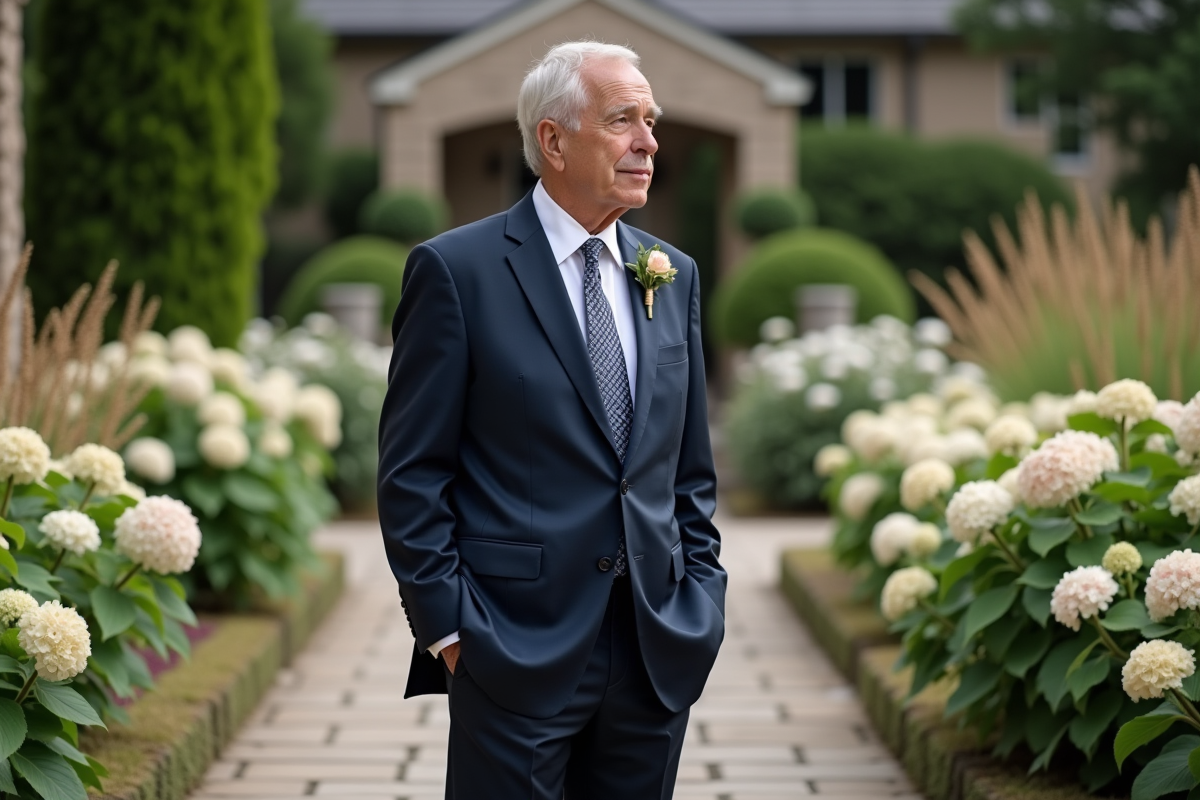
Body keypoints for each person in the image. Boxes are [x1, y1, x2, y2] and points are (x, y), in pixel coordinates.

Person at [377, 40, 726, 800]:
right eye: (623, 119)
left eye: (652, 121)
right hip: (509, 651)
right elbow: (412, 473)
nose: (648, 142)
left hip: (654, 650)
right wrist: (450, 632)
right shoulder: (455, 272)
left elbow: (688, 470)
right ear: (554, 140)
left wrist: (702, 600)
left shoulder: (673, 273)